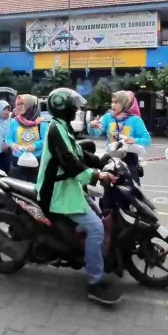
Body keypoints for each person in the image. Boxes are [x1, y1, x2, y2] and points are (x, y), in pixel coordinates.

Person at [37, 88, 121, 305]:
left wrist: (101, 160)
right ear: (62, 107)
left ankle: (85, 255)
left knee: (97, 213)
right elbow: (69, 162)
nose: (76, 110)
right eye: (73, 106)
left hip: (68, 187)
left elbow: (79, 153)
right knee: (96, 228)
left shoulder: (63, 128)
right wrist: (97, 174)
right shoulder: (55, 129)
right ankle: (94, 282)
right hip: (56, 191)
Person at [88, 91, 151, 183]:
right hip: (110, 160)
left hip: (129, 161)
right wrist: (91, 126)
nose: (112, 105)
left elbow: (147, 140)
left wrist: (134, 140)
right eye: (112, 102)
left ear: (125, 103)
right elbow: (96, 133)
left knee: (130, 193)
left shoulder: (135, 120)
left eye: (116, 102)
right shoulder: (107, 117)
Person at [6, 94, 49, 183]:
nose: (19, 107)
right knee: (17, 189)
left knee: (34, 188)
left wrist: (35, 146)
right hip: (17, 161)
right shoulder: (14, 121)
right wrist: (12, 144)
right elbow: (8, 139)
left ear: (30, 105)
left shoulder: (41, 123)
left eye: (22, 104)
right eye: (17, 104)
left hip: (36, 161)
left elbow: (46, 140)